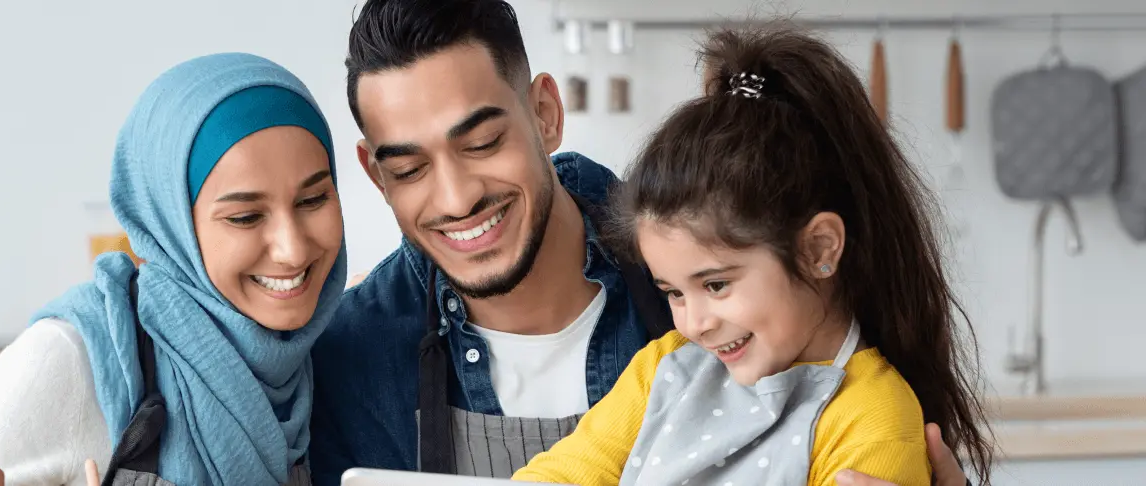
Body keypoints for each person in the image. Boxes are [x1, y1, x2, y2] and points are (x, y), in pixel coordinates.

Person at [308, 1, 974, 486]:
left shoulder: (679, 265)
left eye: (482, 143)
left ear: (545, 114)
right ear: (375, 174)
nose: (456, 199)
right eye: (409, 169)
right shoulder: (351, 355)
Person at [510, 24, 994, 486]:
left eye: (716, 284)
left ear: (819, 249)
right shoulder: (664, 369)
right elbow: (563, 472)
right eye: (673, 292)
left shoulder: (873, 422)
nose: (694, 324)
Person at [0, 52, 347, 486]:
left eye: (313, 200)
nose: (293, 251)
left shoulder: (328, 354)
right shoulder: (67, 361)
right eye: (245, 217)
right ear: (169, 223)